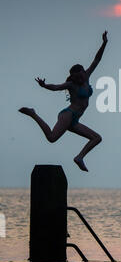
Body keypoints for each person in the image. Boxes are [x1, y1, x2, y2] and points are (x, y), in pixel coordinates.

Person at [19, 31, 108, 171]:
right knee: (52, 138)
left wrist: (104, 43)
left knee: (97, 138)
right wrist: (44, 85)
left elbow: (97, 59)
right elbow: (56, 87)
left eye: (80, 76)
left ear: (83, 72)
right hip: (68, 115)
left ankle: (79, 157)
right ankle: (33, 114)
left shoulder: (87, 75)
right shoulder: (71, 85)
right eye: (76, 78)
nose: (80, 79)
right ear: (73, 77)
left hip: (75, 119)